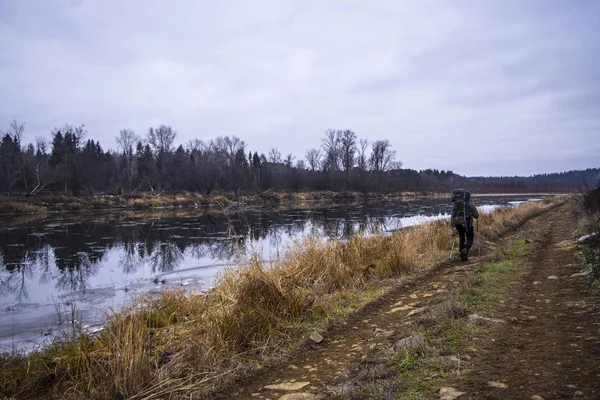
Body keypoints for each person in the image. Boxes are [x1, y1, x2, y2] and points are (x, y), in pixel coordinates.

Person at [451, 189, 479, 261]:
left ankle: (462, 253)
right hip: (467, 223)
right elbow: (476, 215)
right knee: (470, 237)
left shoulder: (455, 204)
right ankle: (465, 249)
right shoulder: (470, 203)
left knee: (461, 237)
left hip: (457, 223)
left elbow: (453, 214)